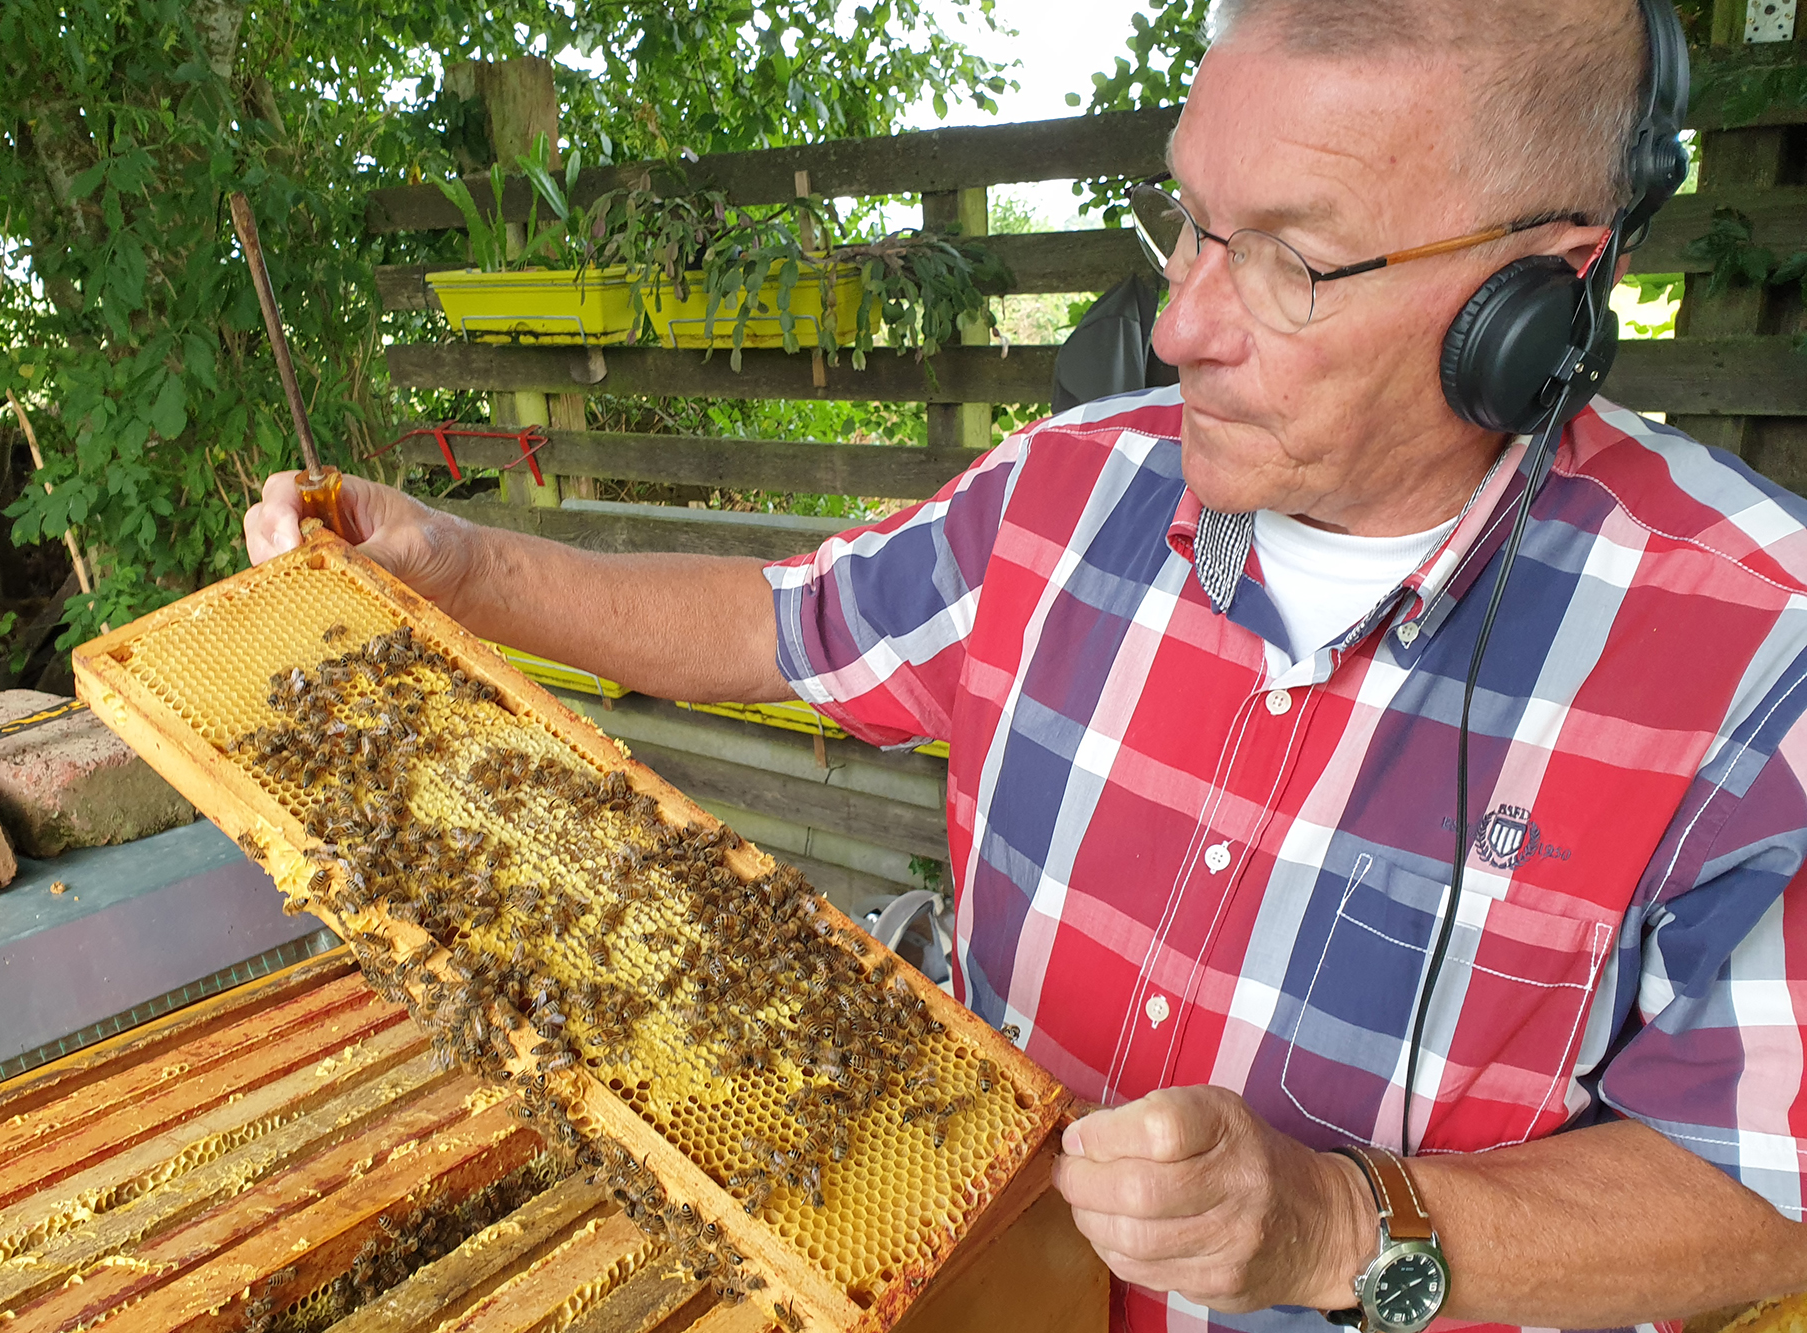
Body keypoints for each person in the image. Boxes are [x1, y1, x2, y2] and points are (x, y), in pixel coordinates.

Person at [245, 0, 1807, 1327]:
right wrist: (461, 567)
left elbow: (1766, 1190)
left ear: (1536, 298)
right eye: (1191, 217)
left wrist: (1340, 1224)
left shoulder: (1761, 653)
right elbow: (771, 624)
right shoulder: (1066, 489)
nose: (1182, 320)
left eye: (1290, 262)